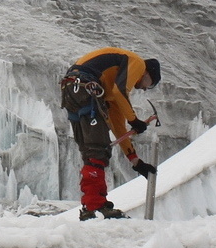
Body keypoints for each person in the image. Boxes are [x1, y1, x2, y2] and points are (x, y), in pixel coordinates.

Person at [60, 48, 161, 220]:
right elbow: (119, 92)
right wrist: (134, 120)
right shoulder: (138, 63)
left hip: (71, 88)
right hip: (87, 87)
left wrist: (136, 161)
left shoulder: (110, 91)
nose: (145, 89)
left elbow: (118, 127)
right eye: (149, 84)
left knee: (91, 153)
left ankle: (92, 204)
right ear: (148, 73)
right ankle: (95, 206)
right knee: (98, 149)